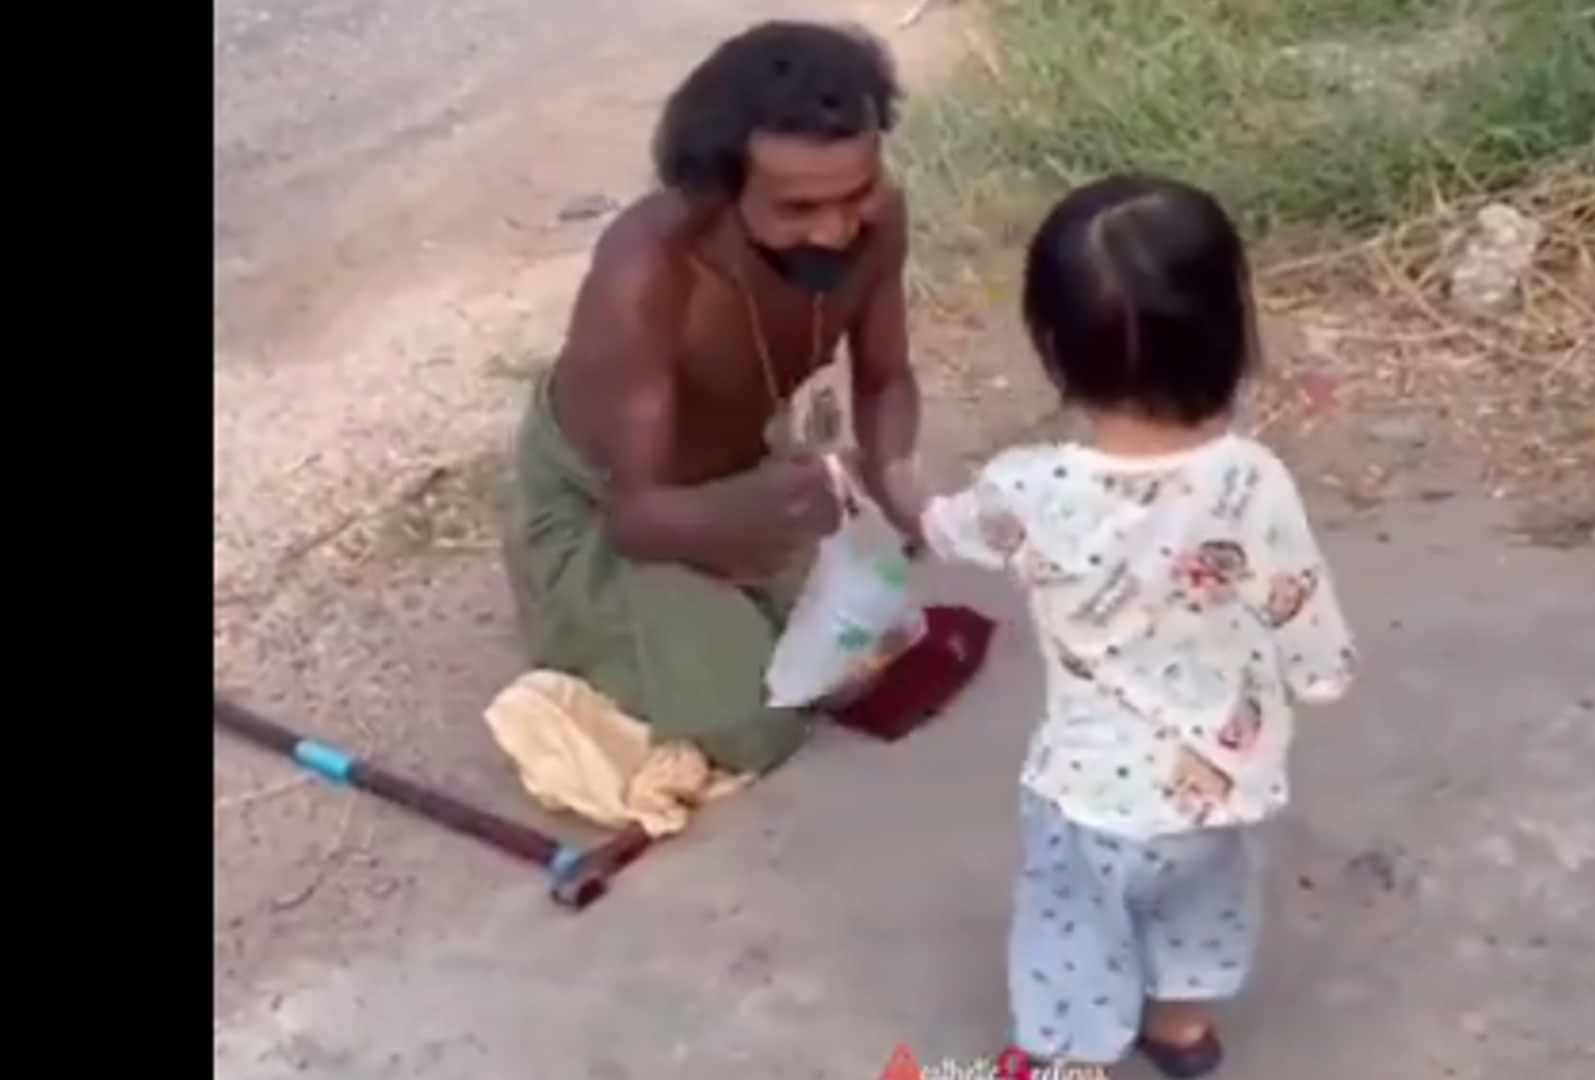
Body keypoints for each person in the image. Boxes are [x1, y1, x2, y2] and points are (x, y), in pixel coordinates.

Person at [882, 175, 1358, 1077]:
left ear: (1052, 346)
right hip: (1221, 779)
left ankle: (1071, 1058)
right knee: (1203, 904)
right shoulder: (1253, 479)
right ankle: (1181, 1031)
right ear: (1234, 329)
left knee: (1074, 932)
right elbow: (1301, 607)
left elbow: (944, 528)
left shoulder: (1030, 487)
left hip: (1087, 793)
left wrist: (899, 488)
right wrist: (1322, 673)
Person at [503, 21, 920, 776]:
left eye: (854, 193)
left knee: (869, 654)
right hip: (605, 506)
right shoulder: (650, 275)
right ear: (721, 190)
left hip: (731, 473)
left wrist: (897, 477)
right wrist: (761, 506)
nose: (834, 231)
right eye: (797, 210)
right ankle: (572, 610)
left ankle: (737, 596)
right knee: (757, 727)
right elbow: (638, 517)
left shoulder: (878, 222)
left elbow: (886, 379)